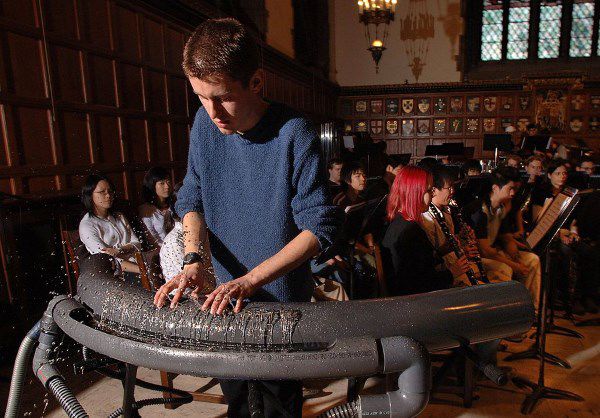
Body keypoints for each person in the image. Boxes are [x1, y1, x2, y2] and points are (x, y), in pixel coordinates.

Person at [152, 18, 339, 417]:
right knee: (237, 403)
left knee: (279, 407)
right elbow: (192, 196)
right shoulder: (205, 124)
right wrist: (193, 261)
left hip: (280, 306)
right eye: (201, 97)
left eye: (223, 97)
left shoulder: (294, 132)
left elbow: (318, 229)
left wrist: (251, 280)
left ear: (256, 82)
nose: (213, 111)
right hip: (222, 298)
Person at [380, 166, 468, 296]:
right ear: (415, 193)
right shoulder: (410, 231)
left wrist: (440, 252)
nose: (432, 195)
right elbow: (420, 284)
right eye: (428, 190)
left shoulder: (402, 222)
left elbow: (418, 266)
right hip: (416, 301)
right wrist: (452, 272)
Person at [421, 166, 512, 285]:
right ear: (434, 190)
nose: (453, 191)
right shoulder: (428, 217)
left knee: (505, 270)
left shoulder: (447, 210)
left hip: (459, 262)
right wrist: (462, 253)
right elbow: (436, 255)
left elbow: (450, 244)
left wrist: (463, 242)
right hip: (449, 270)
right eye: (449, 188)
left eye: (453, 187)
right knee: (498, 285)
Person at [468, 167, 541, 306]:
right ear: (495, 188)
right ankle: (509, 310)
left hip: (495, 251)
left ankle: (530, 308)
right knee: (504, 268)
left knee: (532, 260)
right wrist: (514, 264)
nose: (513, 193)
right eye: (510, 189)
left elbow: (506, 236)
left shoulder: (502, 206)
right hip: (480, 256)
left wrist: (514, 252)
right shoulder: (480, 210)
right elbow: (485, 250)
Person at [79, 174, 141, 274]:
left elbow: (137, 244)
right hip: (115, 274)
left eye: (110, 191)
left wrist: (118, 250)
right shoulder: (87, 225)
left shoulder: (119, 216)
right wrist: (143, 271)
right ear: (90, 195)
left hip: (138, 264)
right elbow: (109, 261)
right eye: (102, 192)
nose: (108, 195)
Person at [138, 166, 175, 247]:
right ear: (152, 185)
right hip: (161, 251)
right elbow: (152, 240)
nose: (167, 186)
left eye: (168, 182)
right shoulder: (146, 210)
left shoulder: (175, 205)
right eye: (162, 183)